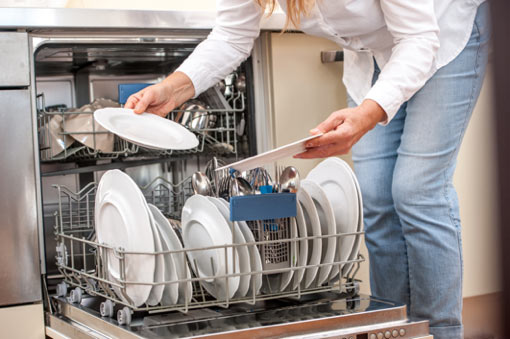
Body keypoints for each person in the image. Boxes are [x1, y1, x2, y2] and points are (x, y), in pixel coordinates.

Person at [125, 1, 490, 338]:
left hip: (441, 37)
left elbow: (419, 38)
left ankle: (441, 331)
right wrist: (172, 90)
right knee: (376, 196)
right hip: (375, 55)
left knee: (417, 191)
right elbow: (231, 35)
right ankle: (391, 328)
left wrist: (365, 116)